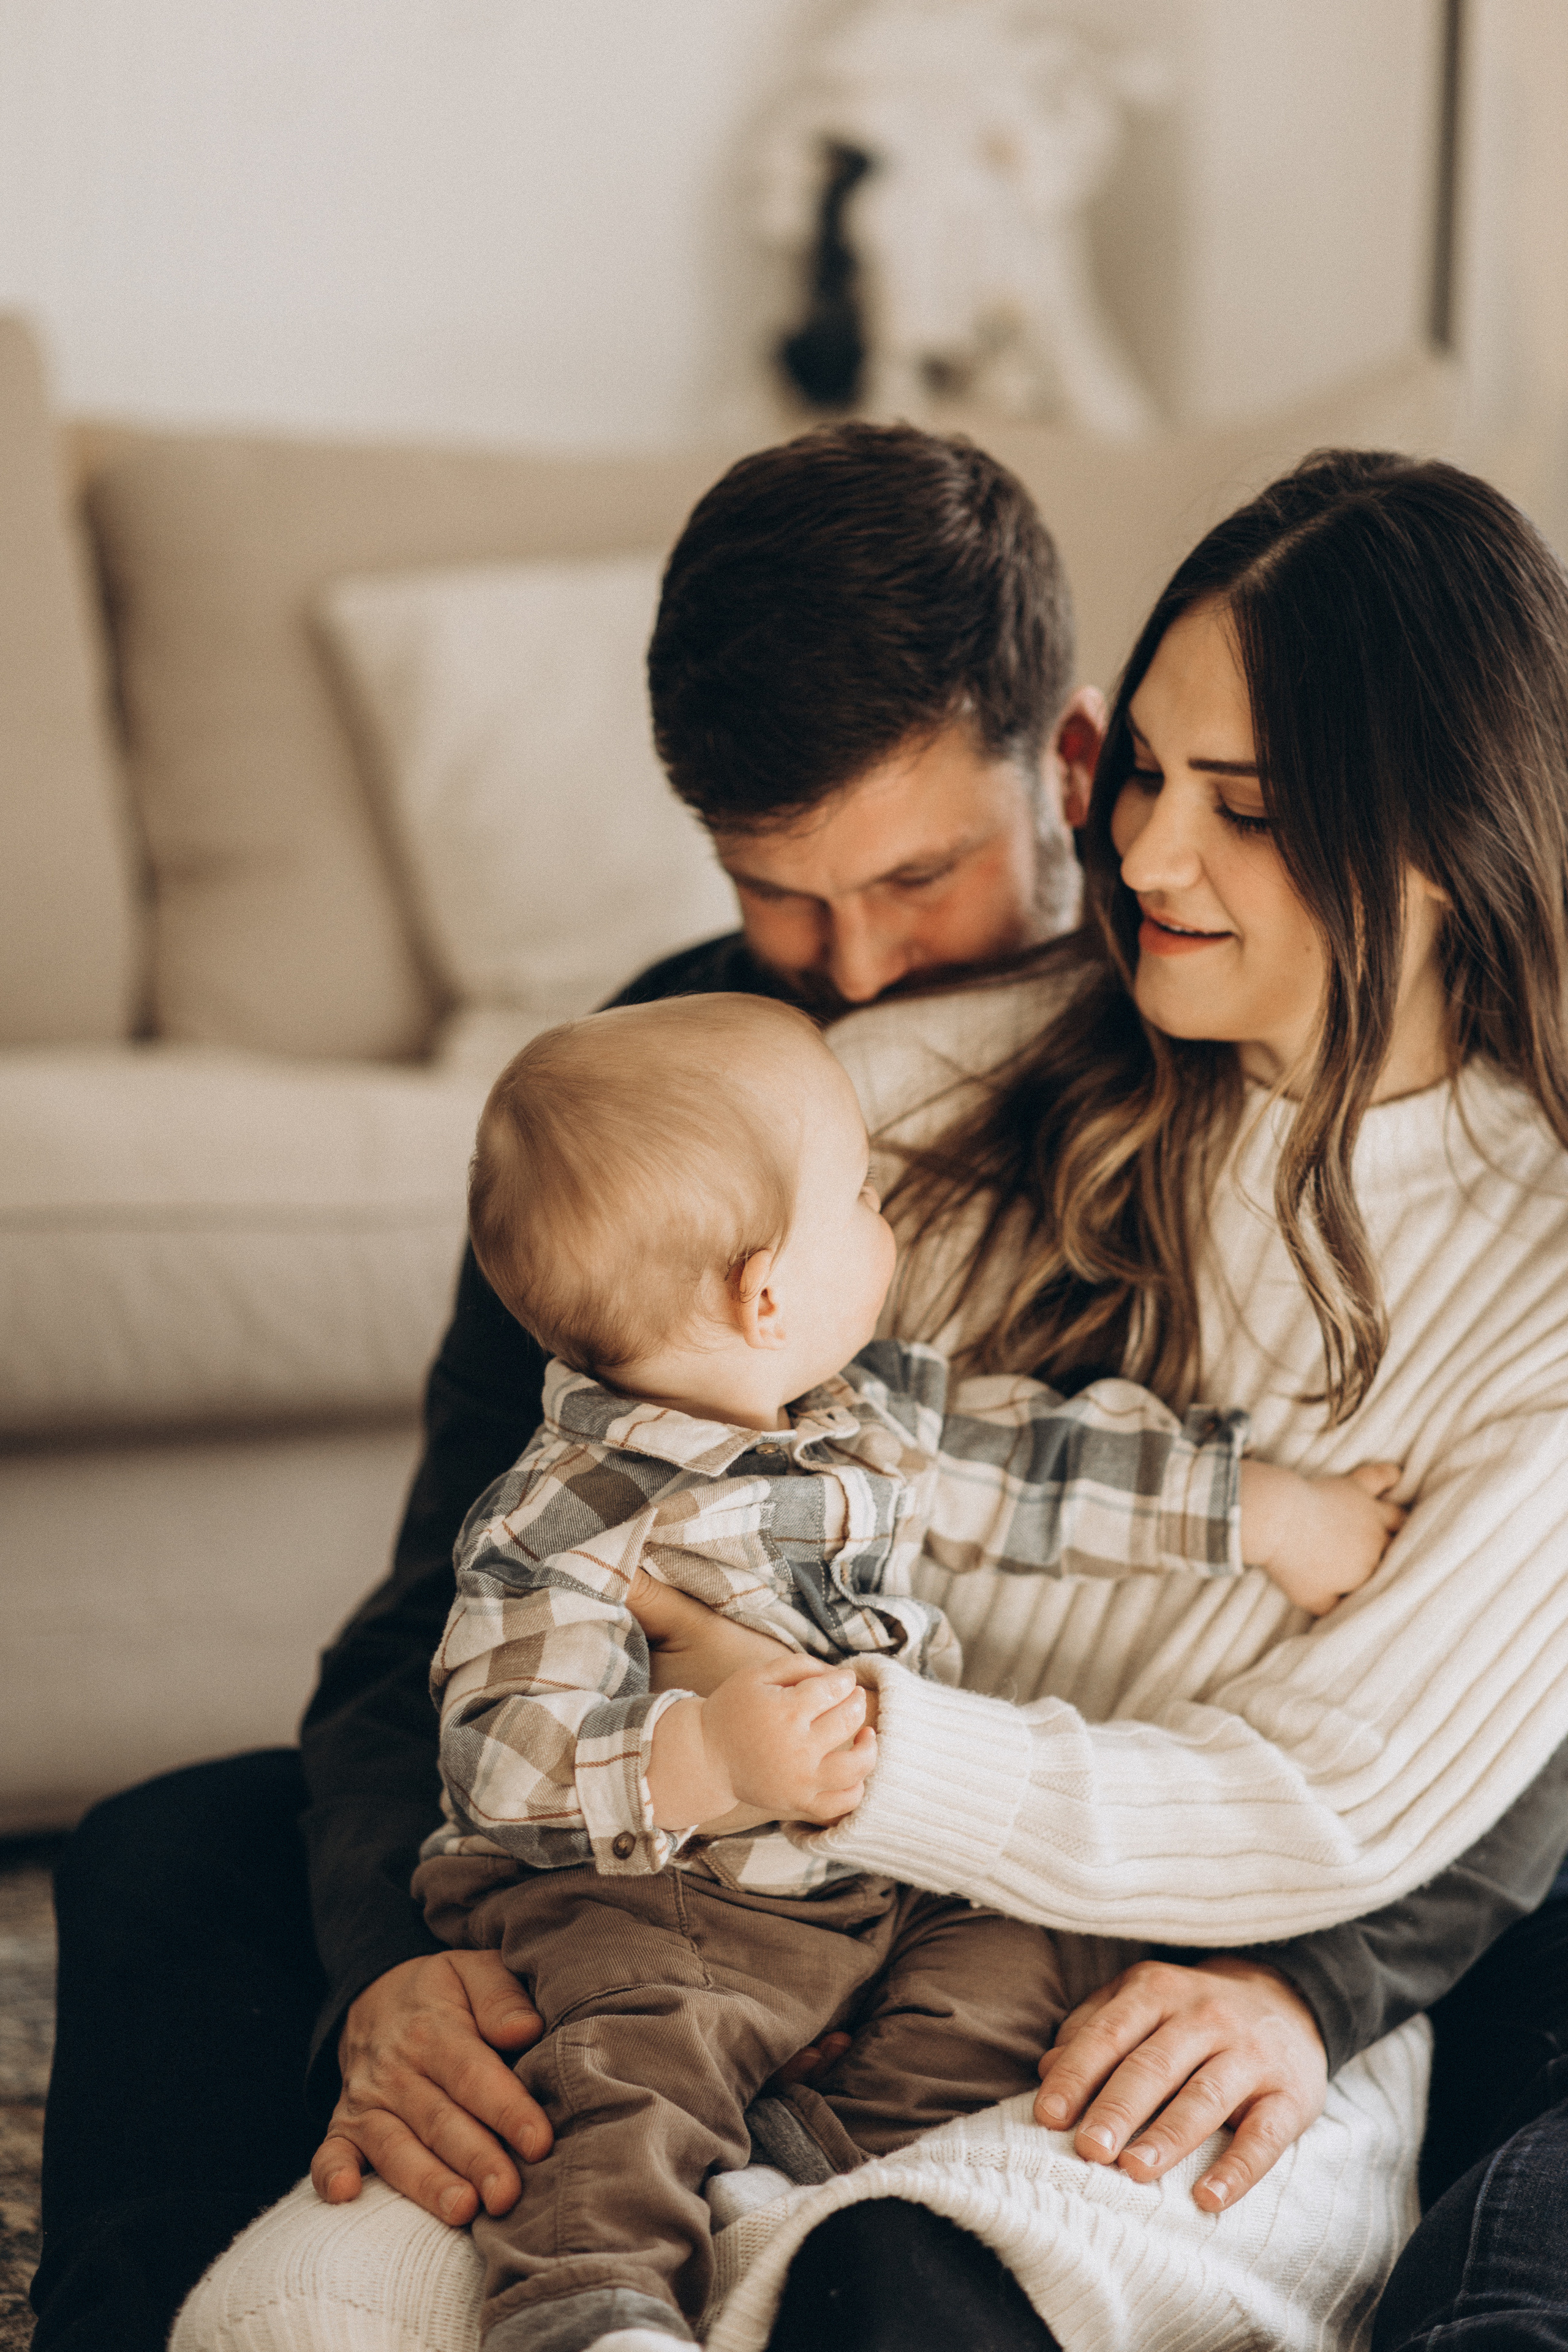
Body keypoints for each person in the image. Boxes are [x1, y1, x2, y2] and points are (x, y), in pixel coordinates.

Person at [30, 428, 1568, 2352]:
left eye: (917, 875)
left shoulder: (1237, 1045)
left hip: (1129, 1864)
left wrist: (1323, 1979)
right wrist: (392, 1977)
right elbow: (452, 1605)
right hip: (708, 1835)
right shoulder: (664, 1111)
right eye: (779, 899)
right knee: (178, 1860)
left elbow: (1464, 1724)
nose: (851, 976)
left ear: (1063, 775)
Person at [412, 992, 1401, 2352]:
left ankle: (799, 2161)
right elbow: (500, 1757)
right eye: (862, 1197)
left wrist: (1264, 1515)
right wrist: (705, 1758)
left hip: (868, 1888)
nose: (885, 1220)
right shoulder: (570, 1515)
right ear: (763, 1290)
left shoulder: (860, 1414)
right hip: (655, 1904)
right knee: (630, 2074)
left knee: (1027, 1972)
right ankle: (585, 2308)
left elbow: (1039, 1473)